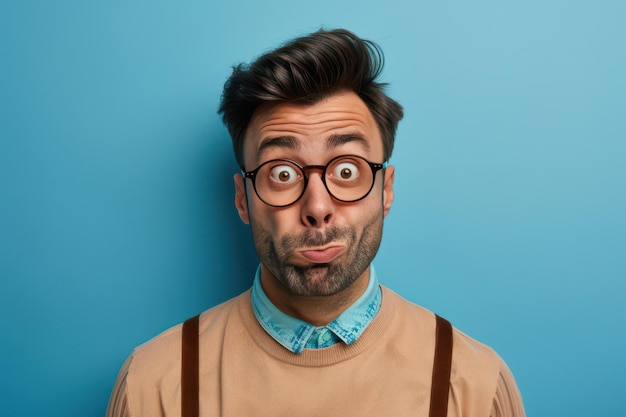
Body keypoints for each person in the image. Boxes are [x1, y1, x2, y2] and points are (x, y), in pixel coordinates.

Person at [106, 28, 525, 417]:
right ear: (242, 199)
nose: (318, 207)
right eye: (282, 173)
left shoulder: (471, 383)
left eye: (346, 170)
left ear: (386, 189)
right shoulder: (155, 386)